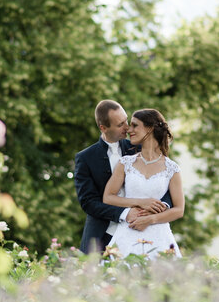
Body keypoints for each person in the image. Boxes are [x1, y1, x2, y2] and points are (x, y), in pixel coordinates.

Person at [75, 100, 172, 253]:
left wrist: (161, 206)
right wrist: (125, 213)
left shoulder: (139, 148)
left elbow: (166, 179)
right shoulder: (85, 158)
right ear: (103, 128)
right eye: (120, 125)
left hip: (143, 231)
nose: (127, 128)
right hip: (101, 235)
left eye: (126, 120)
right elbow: (88, 202)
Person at [103, 108, 184, 258]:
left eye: (134, 125)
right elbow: (108, 197)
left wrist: (150, 219)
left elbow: (179, 210)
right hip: (127, 233)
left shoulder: (172, 168)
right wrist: (142, 202)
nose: (129, 130)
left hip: (160, 237)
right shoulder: (125, 163)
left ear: (150, 128)